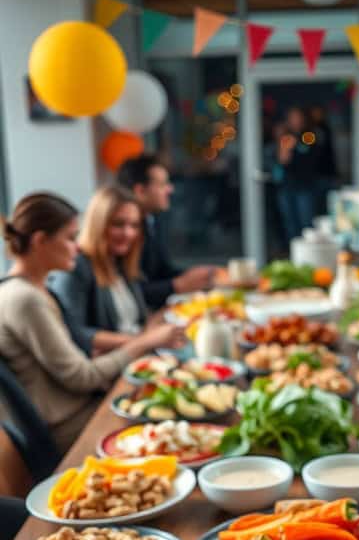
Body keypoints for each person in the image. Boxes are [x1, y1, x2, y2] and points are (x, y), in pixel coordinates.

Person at [0, 192, 186, 452]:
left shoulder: (32, 291)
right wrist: (142, 343)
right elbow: (82, 376)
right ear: (40, 241)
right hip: (74, 425)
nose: (77, 247)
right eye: (70, 238)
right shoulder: (26, 299)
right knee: (178, 425)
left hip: (85, 407)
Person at [51, 184, 160, 356]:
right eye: (118, 224)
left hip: (137, 355)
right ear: (98, 224)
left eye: (134, 225)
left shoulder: (121, 262)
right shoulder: (76, 266)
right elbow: (73, 332)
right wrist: (143, 341)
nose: (128, 233)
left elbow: (137, 320)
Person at [116, 154, 217, 306]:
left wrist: (197, 277)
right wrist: (177, 285)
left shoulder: (152, 220)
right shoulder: (124, 235)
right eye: (163, 185)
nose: (170, 189)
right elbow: (129, 292)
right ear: (140, 191)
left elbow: (162, 271)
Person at [274, 108, 318, 243]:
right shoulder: (286, 138)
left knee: (306, 223)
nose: (296, 121)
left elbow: (314, 160)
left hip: (305, 185)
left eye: (298, 117)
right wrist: (284, 145)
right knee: (290, 223)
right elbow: (283, 161)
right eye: (293, 118)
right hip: (287, 185)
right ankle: (294, 254)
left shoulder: (309, 136)